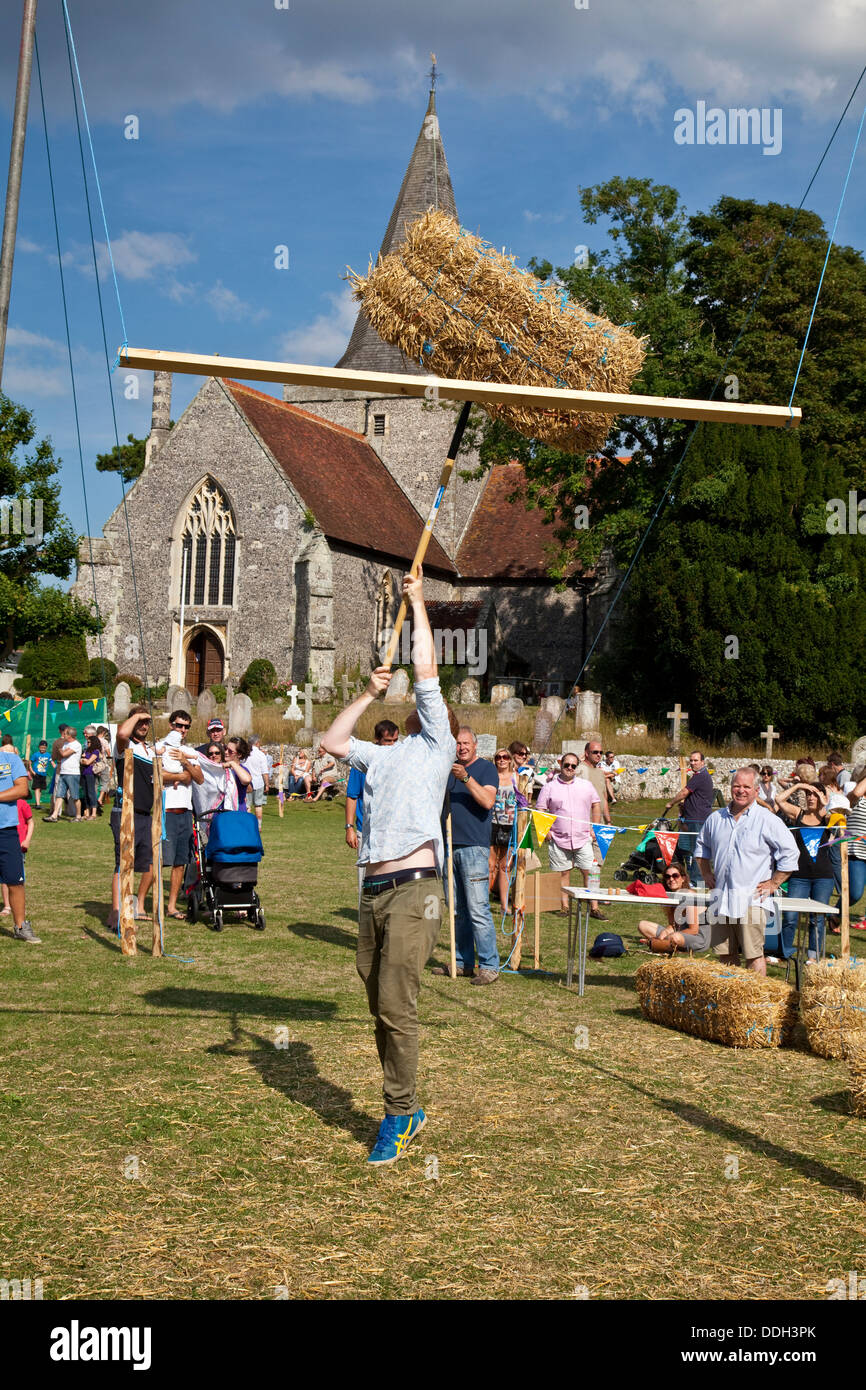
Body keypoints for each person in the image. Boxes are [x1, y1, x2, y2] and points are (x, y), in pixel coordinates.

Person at [320, 567, 458, 1168]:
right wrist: (366, 694)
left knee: (397, 1000)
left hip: (418, 888)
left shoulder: (436, 749)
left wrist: (418, 602)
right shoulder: (378, 756)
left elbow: (426, 670)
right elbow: (330, 741)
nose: (416, 711)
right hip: (373, 889)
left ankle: (398, 1114)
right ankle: (407, 1106)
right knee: (378, 999)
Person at [694, 766, 800, 974]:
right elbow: (701, 846)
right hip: (722, 898)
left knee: (753, 955)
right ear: (730, 788)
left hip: (752, 899)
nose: (741, 791)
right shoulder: (716, 819)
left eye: (746, 787)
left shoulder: (767, 820)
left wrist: (774, 883)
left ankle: (754, 1002)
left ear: (756, 790)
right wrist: (706, 872)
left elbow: (790, 853)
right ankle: (730, 999)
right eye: (736, 786)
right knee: (725, 953)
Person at [433, 726, 499, 984]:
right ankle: (462, 962)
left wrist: (465, 778)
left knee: (477, 908)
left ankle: (490, 965)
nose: (461, 748)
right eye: (458, 744)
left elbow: (487, 801)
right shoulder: (448, 771)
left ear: (475, 744)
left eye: (465, 743)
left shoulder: (485, 769)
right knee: (456, 909)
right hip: (449, 846)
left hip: (474, 847)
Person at [536, 752, 605, 918]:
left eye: (573, 765)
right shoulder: (549, 787)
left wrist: (594, 828)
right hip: (559, 838)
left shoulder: (586, 785)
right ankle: (564, 907)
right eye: (567, 765)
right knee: (563, 873)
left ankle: (594, 907)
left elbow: (596, 804)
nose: (570, 768)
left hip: (583, 838)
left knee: (591, 872)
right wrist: (545, 831)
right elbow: (540, 809)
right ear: (561, 765)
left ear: (577, 767)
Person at [774, 779, 833, 961]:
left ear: (822, 797)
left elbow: (840, 819)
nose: (810, 797)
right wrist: (799, 786)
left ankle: (813, 957)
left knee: (817, 919)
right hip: (799, 876)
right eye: (808, 794)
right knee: (790, 917)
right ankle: (783, 953)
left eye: (815, 794)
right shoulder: (798, 814)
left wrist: (825, 803)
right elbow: (779, 800)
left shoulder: (828, 818)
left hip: (823, 877)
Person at [156, 709, 204, 920]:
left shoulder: (189, 752)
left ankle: (172, 906)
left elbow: (199, 778)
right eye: (178, 725)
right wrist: (180, 776)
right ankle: (150, 903)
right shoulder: (161, 748)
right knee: (158, 861)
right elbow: (157, 774)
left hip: (186, 812)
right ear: (171, 725)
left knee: (180, 862)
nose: (182, 730)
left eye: (186, 726)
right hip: (166, 811)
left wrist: (185, 763)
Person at [0, 739, 38, 942]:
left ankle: (21, 926)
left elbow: (22, 789)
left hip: (6, 830)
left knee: (15, 880)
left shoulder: (10, 759)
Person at [661, 750, 715, 886]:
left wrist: (671, 803)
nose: (693, 763)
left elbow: (684, 792)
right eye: (691, 760)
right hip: (692, 818)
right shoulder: (697, 776)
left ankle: (698, 880)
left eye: (696, 760)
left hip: (698, 819)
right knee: (690, 849)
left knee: (698, 850)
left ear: (702, 762)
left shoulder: (700, 775)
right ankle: (692, 876)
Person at [636, 863, 710, 953]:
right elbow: (673, 925)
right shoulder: (670, 897)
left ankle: (660, 944)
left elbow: (693, 930)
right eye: (668, 876)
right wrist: (666, 932)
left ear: (683, 878)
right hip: (680, 933)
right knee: (642, 925)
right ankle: (664, 944)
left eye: (675, 876)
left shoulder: (689, 895)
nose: (671, 879)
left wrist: (668, 935)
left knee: (674, 937)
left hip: (697, 938)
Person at [489, 748, 516, 914]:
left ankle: (504, 905)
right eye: (498, 757)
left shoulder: (517, 777)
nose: (502, 759)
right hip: (492, 823)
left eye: (505, 756)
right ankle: (483, 901)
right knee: (490, 865)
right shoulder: (491, 776)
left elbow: (525, 802)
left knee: (505, 866)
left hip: (510, 824)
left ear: (510, 759)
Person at [1, 793, 34, 919]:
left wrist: (27, 840)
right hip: (5, 845)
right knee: (4, 878)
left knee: (17, 879)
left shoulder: (21, 804)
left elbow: (30, 822)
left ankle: (19, 908)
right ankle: (7, 905)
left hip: (19, 846)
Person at [45, 727, 83, 822]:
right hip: (62, 772)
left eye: (65, 734)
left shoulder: (76, 745)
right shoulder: (66, 744)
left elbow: (64, 754)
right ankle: (54, 816)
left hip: (72, 773)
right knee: (59, 795)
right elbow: (63, 752)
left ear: (70, 735)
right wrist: (62, 750)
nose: (63, 735)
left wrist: (60, 749)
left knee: (75, 796)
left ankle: (78, 816)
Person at [578, 740, 611, 824]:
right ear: (587, 753)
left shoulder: (600, 772)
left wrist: (608, 821)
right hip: (584, 823)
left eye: (601, 752)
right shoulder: (579, 770)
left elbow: (604, 799)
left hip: (600, 823)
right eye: (595, 752)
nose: (599, 755)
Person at [244, 735, 270, 826]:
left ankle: (247, 825)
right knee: (258, 805)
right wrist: (267, 784)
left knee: (247, 805)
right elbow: (265, 771)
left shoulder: (245, 753)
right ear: (257, 743)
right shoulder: (261, 754)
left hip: (247, 782)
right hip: (258, 782)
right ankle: (258, 825)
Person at [225, 737, 253, 809]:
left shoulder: (243, 770)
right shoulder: (221, 766)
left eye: (230, 751)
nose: (226, 752)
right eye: (225, 748)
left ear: (239, 754)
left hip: (238, 810)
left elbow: (247, 782)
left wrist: (232, 764)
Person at [80, 733, 102, 819]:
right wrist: (84, 760)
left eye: (89, 742)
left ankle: (93, 813)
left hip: (90, 774)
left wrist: (85, 760)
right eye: (87, 742)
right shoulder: (87, 751)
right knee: (85, 793)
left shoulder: (96, 751)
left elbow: (88, 762)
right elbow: (82, 760)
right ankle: (87, 812)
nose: (88, 743)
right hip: (84, 773)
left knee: (91, 792)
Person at [28, 740, 51, 809]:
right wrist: (32, 771)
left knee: (40, 789)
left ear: (46, 747)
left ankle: (38, 803)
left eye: (44, 747)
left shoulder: (48, 755)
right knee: (37, 788)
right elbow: (29, 762)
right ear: (39, 747)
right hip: (36, 773)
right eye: (41, 747)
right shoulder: (36, 754)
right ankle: (38, 804)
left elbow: (51, 761)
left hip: (43, 774)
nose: (43, 749)